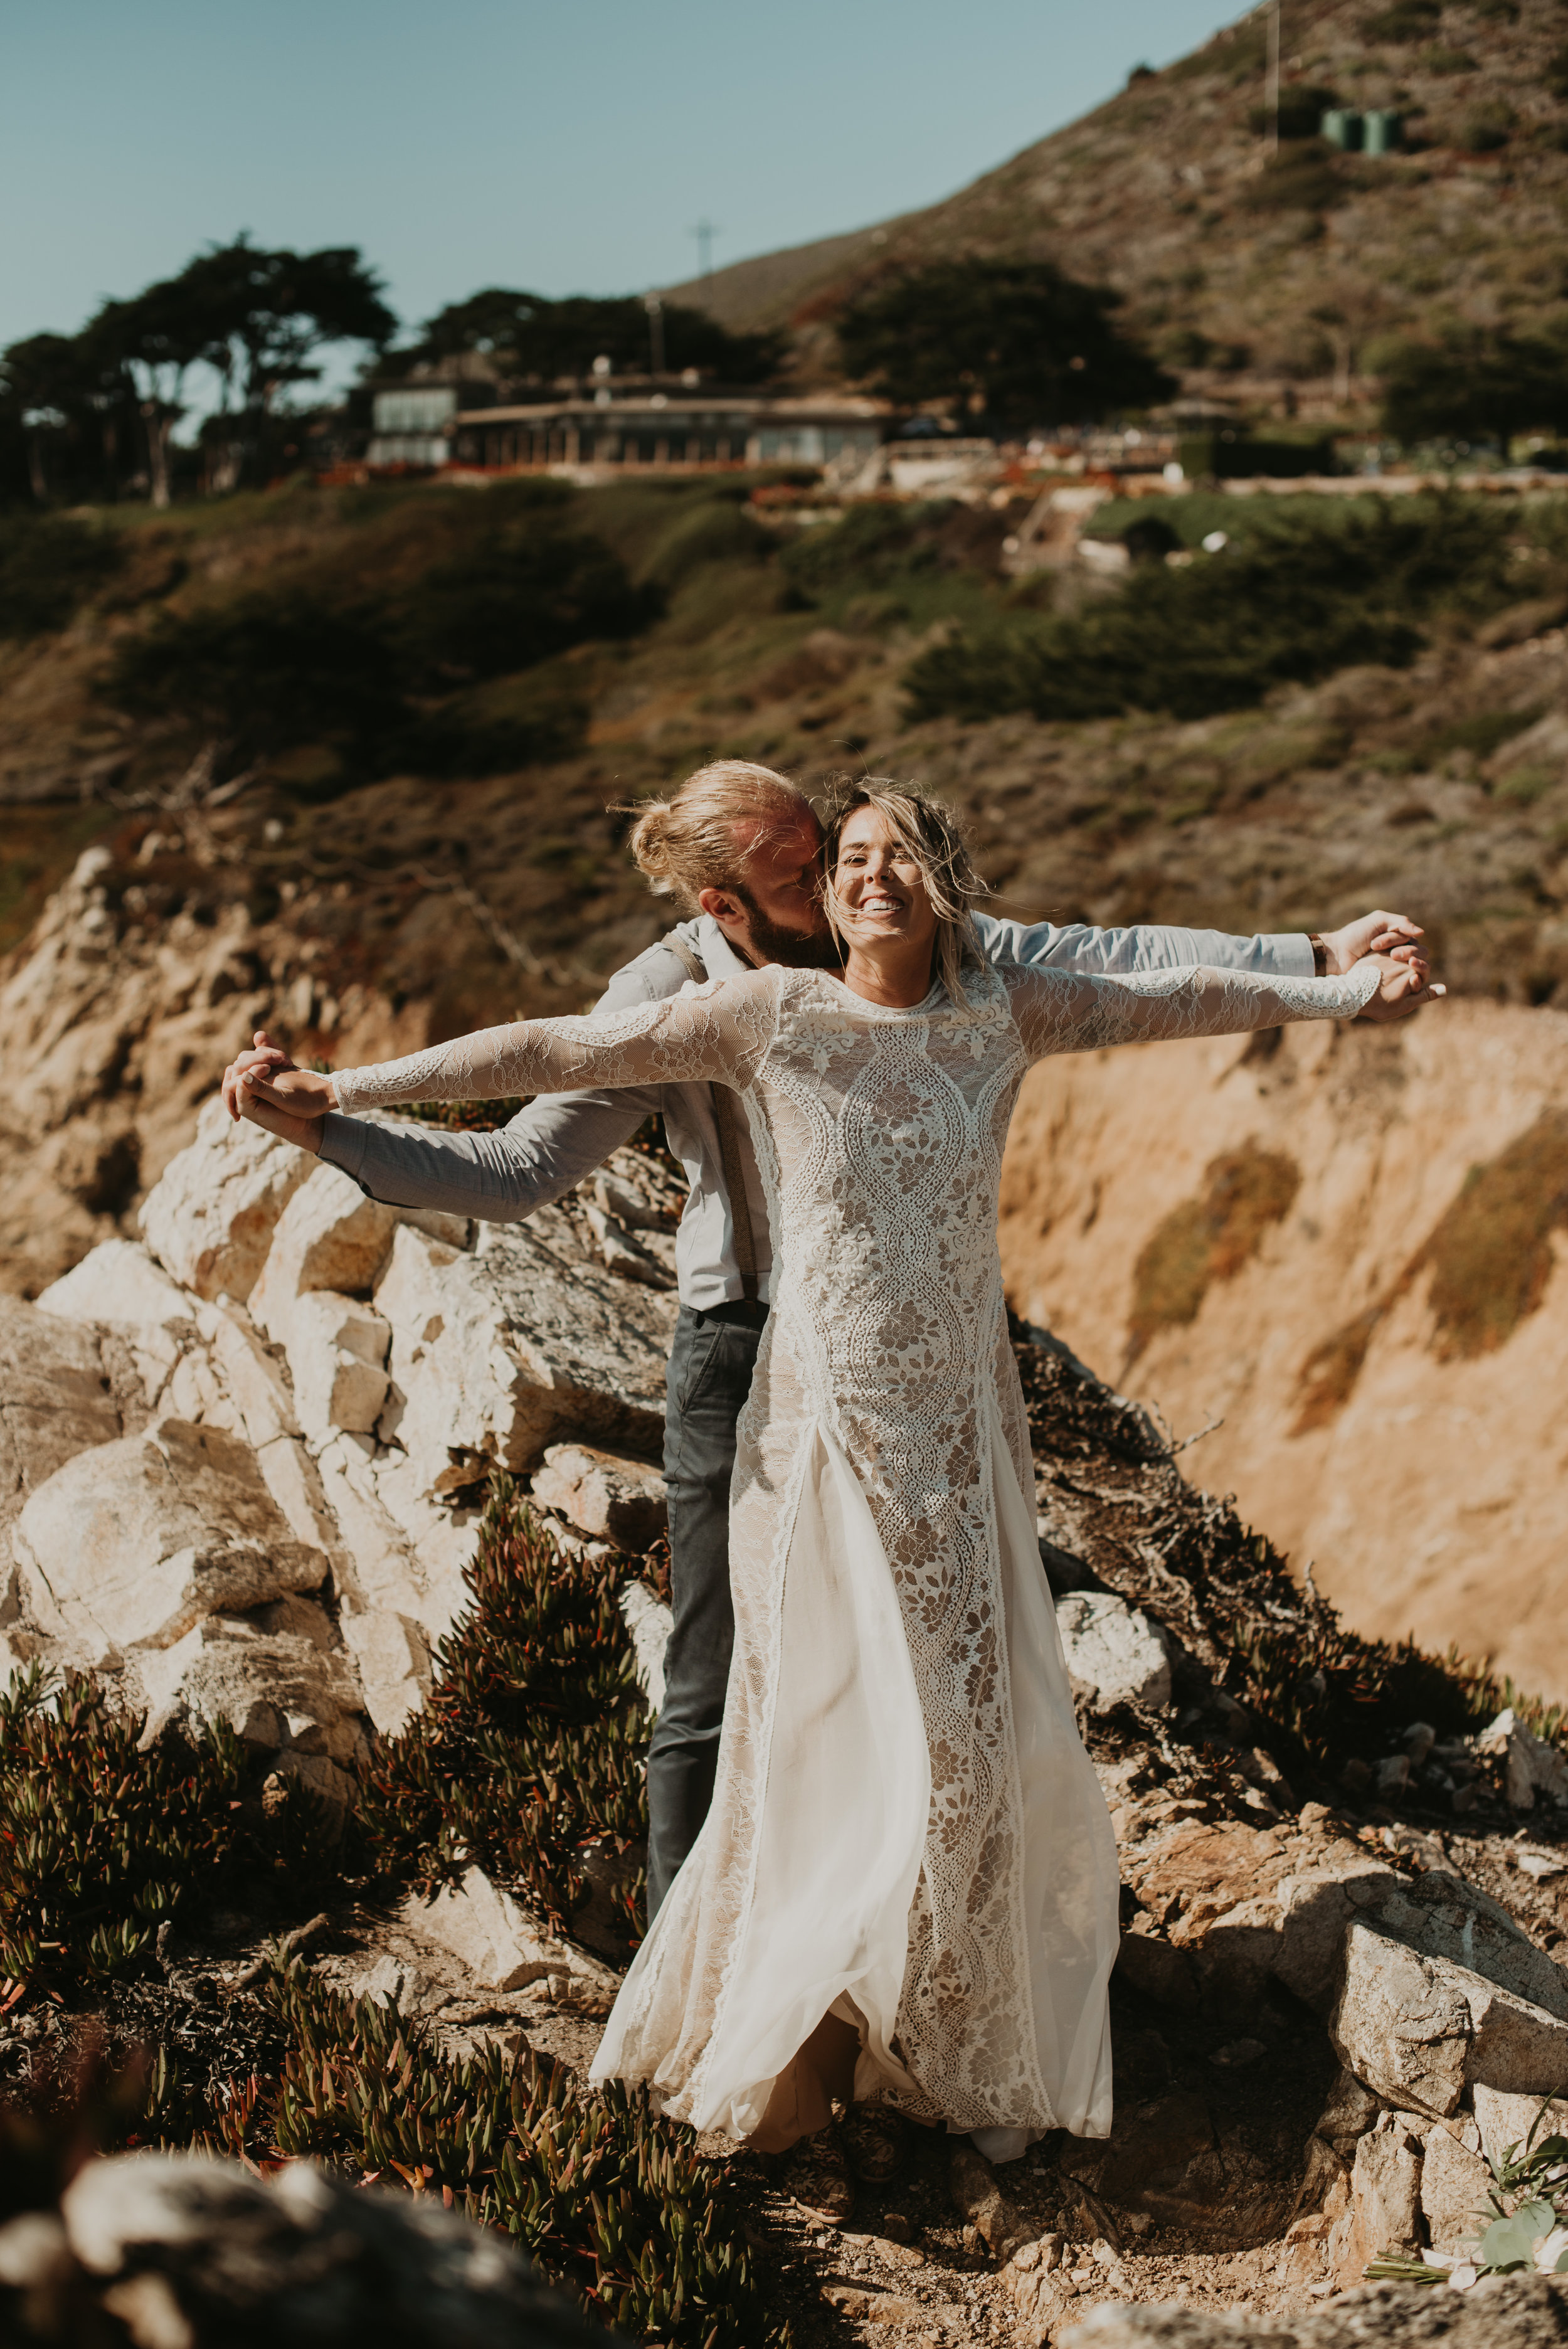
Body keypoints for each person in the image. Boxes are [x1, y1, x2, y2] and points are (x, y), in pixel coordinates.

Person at [232, 780, 1438, 2172]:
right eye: (799, 864)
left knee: (936, 1696)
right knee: (724, 1685)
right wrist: (334, 1107)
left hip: (937, 1387)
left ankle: (922, 1995)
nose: (834, 875)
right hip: (742, 1347)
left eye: (841, 841)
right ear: (720, 904)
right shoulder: (707, 992)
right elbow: (519, 1147)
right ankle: (728, 1995)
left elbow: (1124, 964)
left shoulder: (966, 963)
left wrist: (1318, 965)